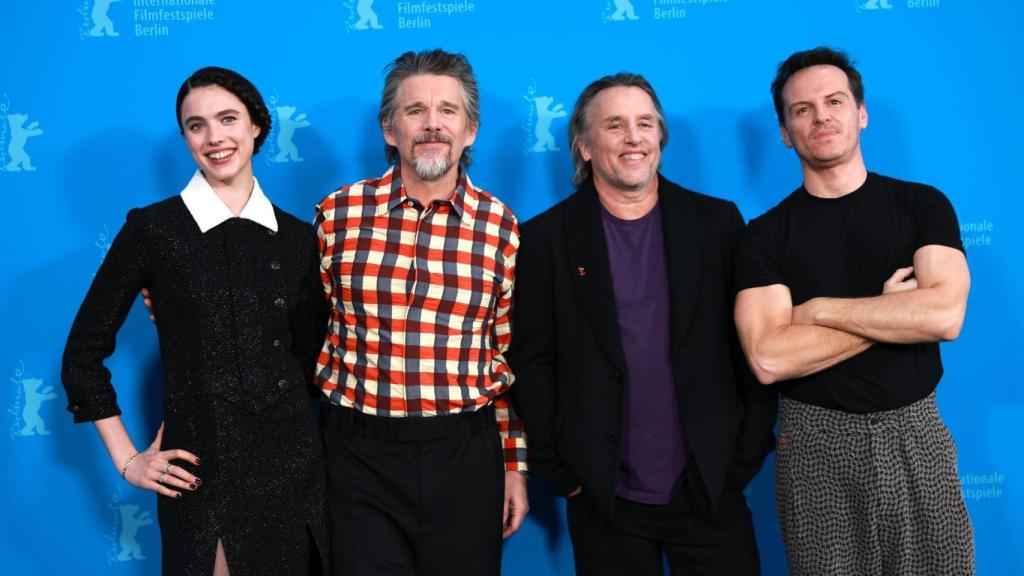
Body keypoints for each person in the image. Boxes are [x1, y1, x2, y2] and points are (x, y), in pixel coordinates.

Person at [62, 66, 329, 576]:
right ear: (185, 138)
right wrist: (128, 459)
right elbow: (82, 355)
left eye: (227, 119)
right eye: (196, 125)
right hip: (205, 473)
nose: (214, 137)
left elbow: (307, 362)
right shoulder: (153, 230)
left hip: (296, 472)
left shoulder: (298, 238)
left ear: (256, 124)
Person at [509, 72, 777, 576]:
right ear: (585, 146)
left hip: (710, 488)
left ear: (660, 137)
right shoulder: (545, 239)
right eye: (615, 125)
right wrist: (564, 473)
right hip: (603, 498)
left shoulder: (717, 224)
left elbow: (751, 344)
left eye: (645, 124)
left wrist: (744, 456)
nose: (633, 137)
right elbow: (532, 361)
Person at [733, 47, 974, 576]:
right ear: (785, 132)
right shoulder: (763, 236)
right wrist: (892, 311)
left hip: (916, 433)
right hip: (814, 445)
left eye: (835, 101)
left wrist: (817, 310)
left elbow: (944, 316)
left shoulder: (922, 205)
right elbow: (769, 357)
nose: (821, 116)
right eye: (802, 109)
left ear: (861, 114)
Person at [314, 49, 528, 576]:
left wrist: (514, 463)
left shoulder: (501, 227)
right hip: (357, 455)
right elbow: (293, 323)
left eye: (447, 111)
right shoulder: (337, 215)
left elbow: (503, 354)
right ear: (389, 129)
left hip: (465, 454)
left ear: (471, 130)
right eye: (415, 110)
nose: (432, 124)